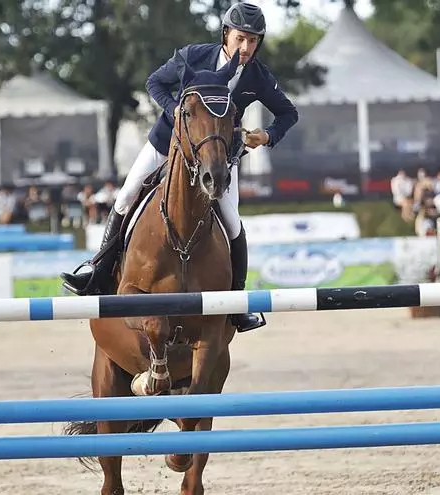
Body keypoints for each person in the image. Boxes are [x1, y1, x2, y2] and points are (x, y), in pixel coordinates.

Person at [60, 2, 299, 332]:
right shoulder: (193, 57)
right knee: (126, 195)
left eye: (253, 41)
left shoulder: (257, 76)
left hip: (217, 157)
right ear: (225, 35)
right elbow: (155, 82)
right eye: (240, 39)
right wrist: (175, 110)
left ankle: (236, 301)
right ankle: (98, 272)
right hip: (168, 144)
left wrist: (268, 135)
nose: (246, 48)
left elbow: (288, 113)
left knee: (232, 222)